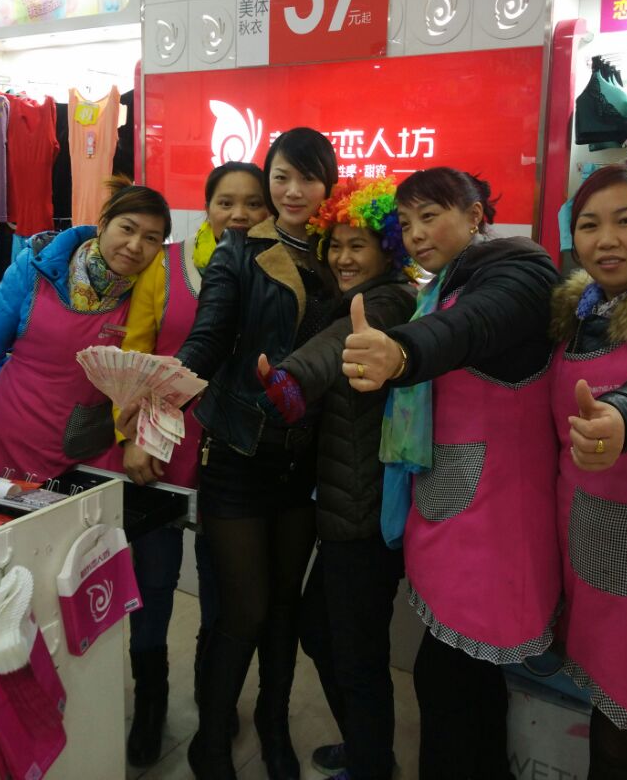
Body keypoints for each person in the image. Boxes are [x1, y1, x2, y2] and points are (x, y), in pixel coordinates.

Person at [340, 167, 561, 780]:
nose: (416, 234)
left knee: (448, 690)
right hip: (452, 521)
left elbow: (469, 328)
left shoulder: (520, 270)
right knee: (464, 689)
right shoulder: (443, 285)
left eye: (430, 216)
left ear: (475, 215)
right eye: (406, 222)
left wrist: (401, 351)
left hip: (495, 531)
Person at [172, 127, 338, 780]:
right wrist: (164, 388)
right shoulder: (238, 252)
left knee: (284, 607)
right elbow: (208, 338)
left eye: (307, 177)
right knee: (243, 610)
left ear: (327, 184)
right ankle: (211, 739)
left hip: (302, 460)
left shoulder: (337, 252)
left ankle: (274, 727)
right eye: (281, 177)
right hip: (239, 453)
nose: (293, 190)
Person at [256, 176, 417, 780]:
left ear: (388, 249)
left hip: (365, 514)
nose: (345, 257)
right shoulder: (367, 294)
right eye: (337, 245)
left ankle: (372, 765)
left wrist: (291, 377)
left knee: (355, 653)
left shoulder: (386, 301)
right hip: (348, 505)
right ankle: (368, 749)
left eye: (359, 245)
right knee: (325, 633)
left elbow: (336, 345)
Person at [112, 161, 268, 767]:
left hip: (232, 459)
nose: (239, 215)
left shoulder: (275, 272)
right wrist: (135, 433)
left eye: (253, 203)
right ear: (206, 208)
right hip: (161, 452)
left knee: (221, 587)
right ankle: (151, 699)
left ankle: (213, 691)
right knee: (154, 583)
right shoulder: (166, 265)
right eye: (225, 202)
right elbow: (136, 353)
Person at [549, 164, 627, 779]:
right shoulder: (574, 316)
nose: (606, 240)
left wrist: (622, 416)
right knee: (609, 714)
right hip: (590, 545)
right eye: (590, 225)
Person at [0, 177, 170, 483]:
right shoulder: (38, 264)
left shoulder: (152, 293)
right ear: (103, 224)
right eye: (127, 228)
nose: (135, 246)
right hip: (3, 434)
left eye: (151, 238)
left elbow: (153, 375)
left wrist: (139, 438)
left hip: (84, 452)